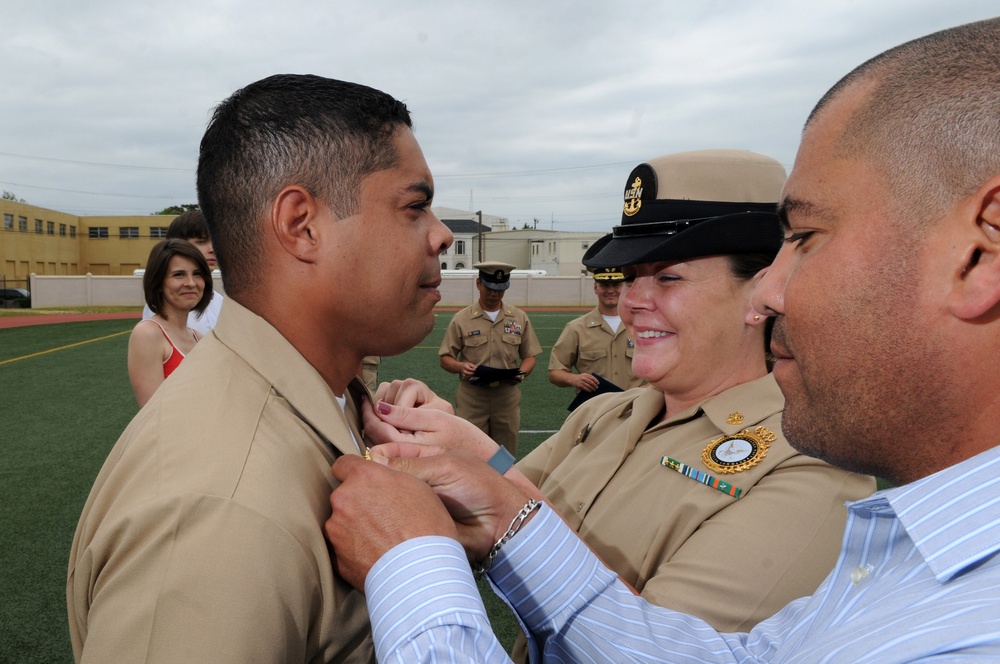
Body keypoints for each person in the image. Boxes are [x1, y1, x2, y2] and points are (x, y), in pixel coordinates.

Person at [326, 17, 1000, 662]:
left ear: (980, 252)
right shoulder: (906, 550)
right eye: (628, 275)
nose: (775, 291)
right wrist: (488, 481)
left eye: (807, 238)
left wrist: (414, 566)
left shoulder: (818, 478)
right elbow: (722, 656)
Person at [367, 149, 875, 658]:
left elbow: (653, 649)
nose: (632, 302)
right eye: (632, 276)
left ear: (763, 290)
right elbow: (508, 486)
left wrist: (497, 504)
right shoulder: (605, 414)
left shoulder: (813, 468)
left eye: (668, 277)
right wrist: (457, 442)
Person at [67, 74, 453, 663]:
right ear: (301, 225)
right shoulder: (217, 513)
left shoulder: (320, 400)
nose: (442, 235)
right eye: (415, 206)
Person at [439, 261, 541, 455]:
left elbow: (530, 356)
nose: (494, 294)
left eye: (500, 289)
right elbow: (445, 358)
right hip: (472, 397)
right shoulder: (462, 319)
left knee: (505, 454)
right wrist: (460, 366)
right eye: (490, 288)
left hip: (506, 397)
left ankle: (502, 485)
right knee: (470, 452)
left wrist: (522, 373)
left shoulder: (519, 317)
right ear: (479, 284)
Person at [127, 238, 212, 407]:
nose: (191, 283)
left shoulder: (199, 338)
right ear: (158, 283)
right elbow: (152, 413)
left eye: (197, 274)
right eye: (178, 275)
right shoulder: (148, 334)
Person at [548, 262, 642, 408]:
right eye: (604, 285)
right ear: (595, 288)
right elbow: (555, 372)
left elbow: (666, 369)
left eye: (616, 285)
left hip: (635, 406)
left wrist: (646, 391)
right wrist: (574, 379)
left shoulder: (643, 326)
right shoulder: (576, 328)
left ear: (625, 287)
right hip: (593, 408)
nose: (610, 290)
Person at [141, 209, 223, 335]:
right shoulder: (166, 304)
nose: (212, 249)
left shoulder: (220, 300)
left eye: (215, 241)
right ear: (178, 245)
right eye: (201, 241)